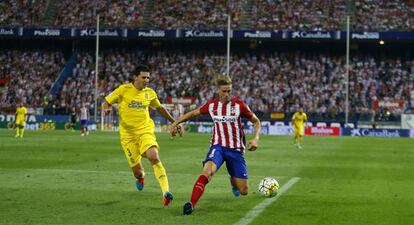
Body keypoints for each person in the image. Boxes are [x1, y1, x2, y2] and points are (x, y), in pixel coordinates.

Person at [170, 76, 261, 215]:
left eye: (229, 91)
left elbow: (256, 121)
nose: (227, 94)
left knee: (243, 191)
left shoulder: (239, 105)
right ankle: (191, 203)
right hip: (217, 147)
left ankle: (233, 180)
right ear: (218, 90)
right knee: (207, 172)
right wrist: (176, 123)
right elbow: (193, 113)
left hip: (236, 150)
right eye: (224, 91)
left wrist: (255, 139)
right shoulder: (212, 105)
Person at [102, 65, 177, 206]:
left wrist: (175, 121)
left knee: (154, 156)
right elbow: (106, 102)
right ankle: (141, 178)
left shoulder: (150, 93)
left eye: (148, 77)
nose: (146, 80)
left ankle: (166, 193)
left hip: (145, 131)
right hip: (127, 136)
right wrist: (106, 109)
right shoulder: (123, 90)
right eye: (143, 77)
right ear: (135, 77)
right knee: (138, 172)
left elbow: (160, 109)